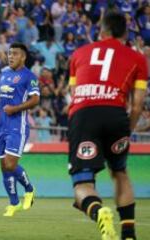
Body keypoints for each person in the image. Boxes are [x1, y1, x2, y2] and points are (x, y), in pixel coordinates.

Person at [68, 12, 148, 240]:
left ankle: (97, 210)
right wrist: (128, 129)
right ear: (125, 33)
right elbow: (137, 105)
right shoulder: (138, 58)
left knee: (83, 182)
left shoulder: (78, 54)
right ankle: (129, 234)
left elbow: (74, 95)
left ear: (101, 31)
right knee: (120, 172)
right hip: (116, 115)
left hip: (83, 115)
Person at [0, 42, 40, 217]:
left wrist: (15, 109)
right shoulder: (4, 74)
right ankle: (14, 203)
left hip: (17, 127)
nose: (11, 56)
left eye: (15, 54)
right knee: (3, 167)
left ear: (23, 57)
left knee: (10, 164)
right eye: (9, 53)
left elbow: (35, 100)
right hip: (1, 127)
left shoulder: (29, 76)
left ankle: (29, 189)